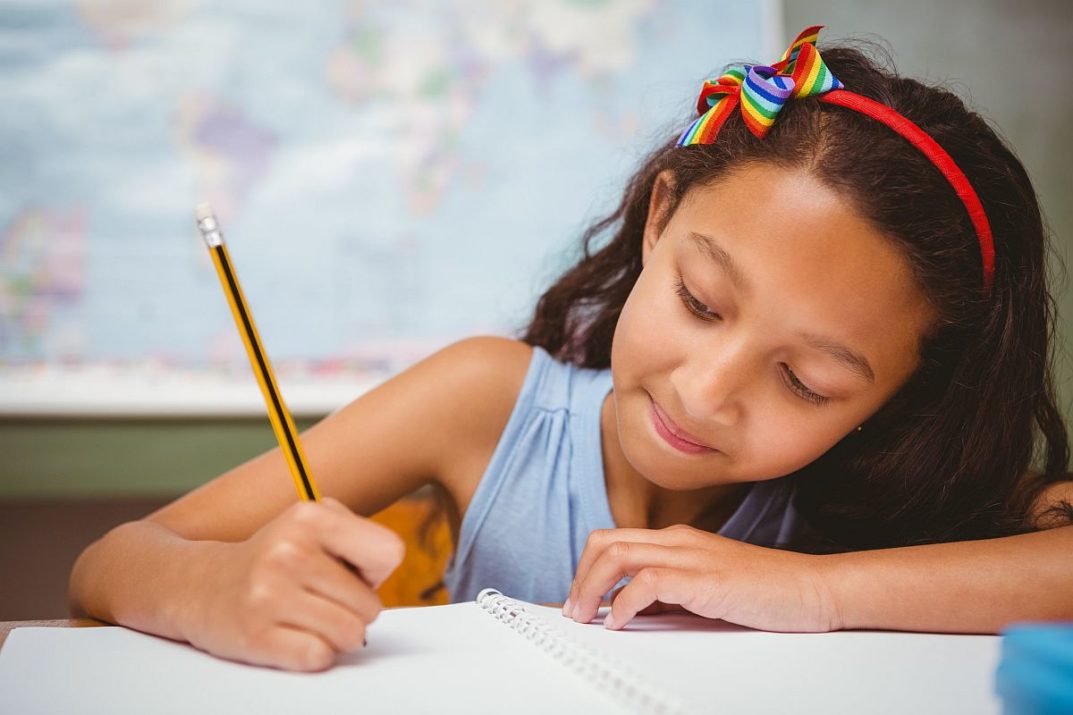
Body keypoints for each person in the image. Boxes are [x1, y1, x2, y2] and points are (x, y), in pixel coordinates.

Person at [69, 26, 1073, 672]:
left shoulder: (884, 498)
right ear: (659, 219)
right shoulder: (485, 400)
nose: (704, 391)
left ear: (898, 397)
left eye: (804, 381)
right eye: (700, 301)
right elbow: (113, 562)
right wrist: (213, 588)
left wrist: (803, 587)